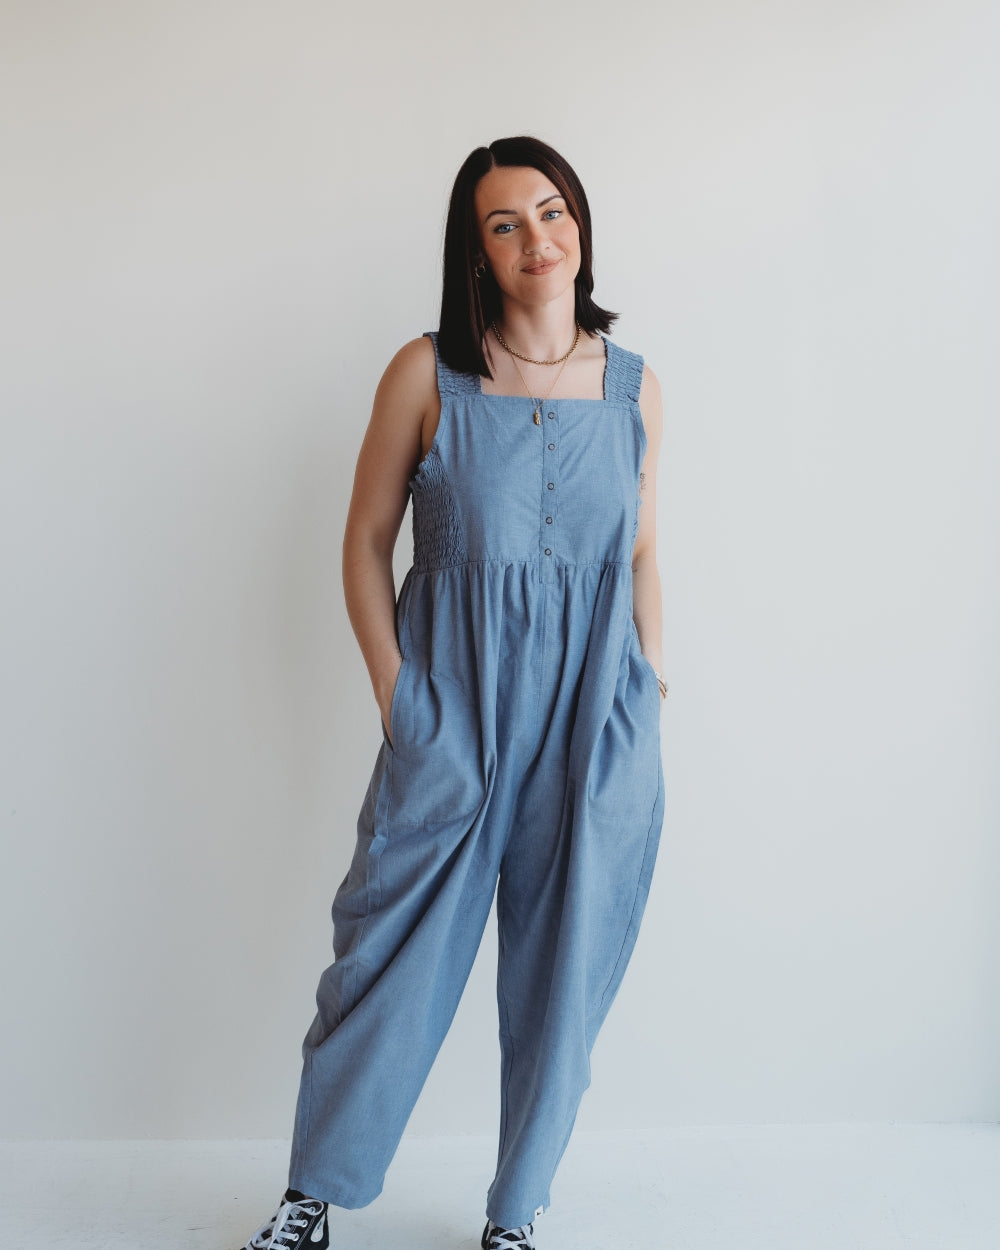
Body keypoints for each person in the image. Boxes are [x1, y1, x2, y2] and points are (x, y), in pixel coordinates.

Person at [236, 135, 667, 1250]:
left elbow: (643, 551)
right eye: (503, 221)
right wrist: (399, 699)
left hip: (591, 719)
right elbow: (364, 543)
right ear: (474, 251)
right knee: (384, 950)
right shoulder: (427, 373)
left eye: (551, 208)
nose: (537, 235)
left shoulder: (634, 387)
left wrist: (646, 689)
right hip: (456, 713)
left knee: (562, 973)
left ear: (580, 223)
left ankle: (513, 1218)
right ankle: (310, 1195)